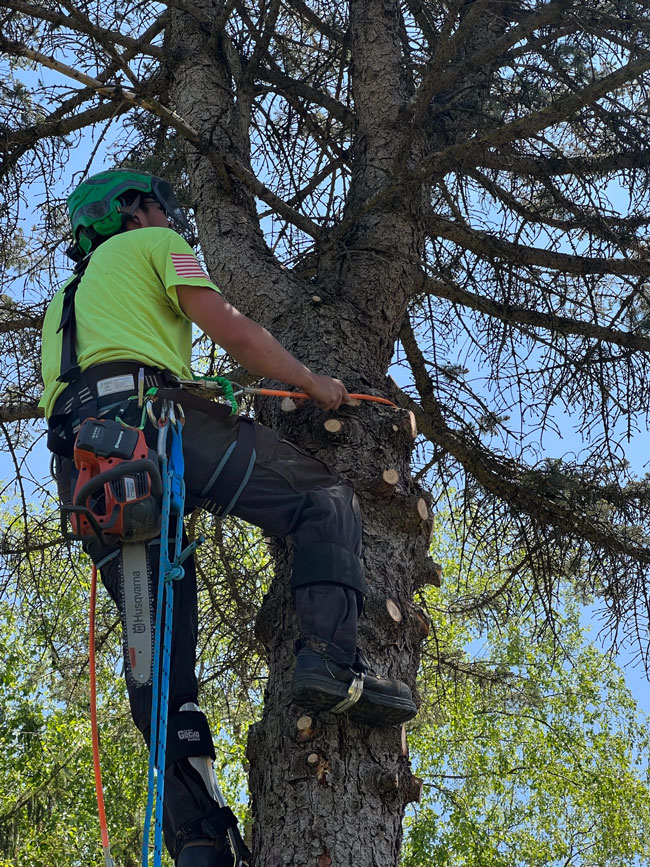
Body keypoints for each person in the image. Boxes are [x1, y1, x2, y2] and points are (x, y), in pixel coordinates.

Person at [40, 169, 416, 866]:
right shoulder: (155, 242)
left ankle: (201, 840)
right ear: (134, 210)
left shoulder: (64, 301)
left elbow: (90, 379)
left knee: (161, 679)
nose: (167, 215)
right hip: (155, 427)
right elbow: (233, 328)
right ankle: (334, 664)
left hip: (89, 476)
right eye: (158, 206)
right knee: (324, 499)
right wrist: (314, 383)